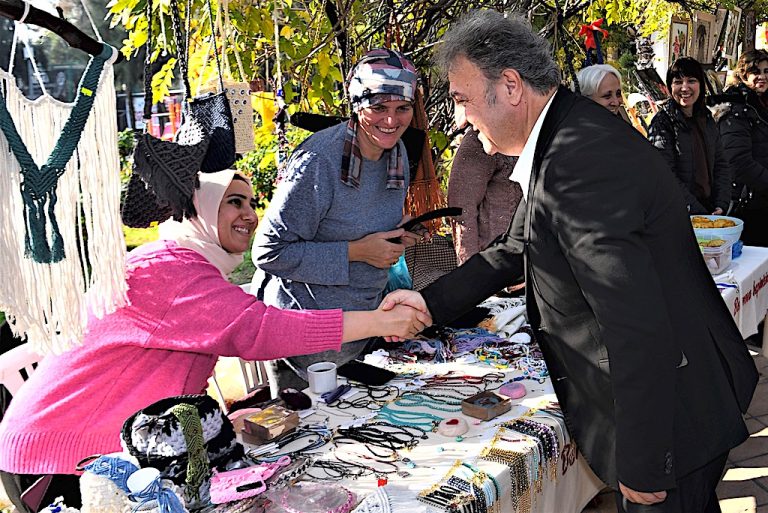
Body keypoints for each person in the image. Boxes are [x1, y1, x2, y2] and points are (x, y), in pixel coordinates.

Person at [383, 10, 757, 512]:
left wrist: (644, 458)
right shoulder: (565, 134)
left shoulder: (580, 161)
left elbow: (635, 325)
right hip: (679, 397)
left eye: (464, 100)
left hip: (672, 420)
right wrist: (429, 303)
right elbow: (516, 245)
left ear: (511, 87)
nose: (462, 120)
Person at [0, 169, 429, 512]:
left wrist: (214, 430)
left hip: (114, 448)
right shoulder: (166, 269)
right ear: (196, 212)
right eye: (232, 202)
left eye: (251, 202)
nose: (249, 214)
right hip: (58, 459)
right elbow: (260, 330)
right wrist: (375, 321)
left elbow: (186, 373)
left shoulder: (191, 266)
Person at [251, 49, 423, 389]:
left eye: (402, 108)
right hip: (302, 342)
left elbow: (362, 223)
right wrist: (356, 252)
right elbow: (268, 252)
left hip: (360, 336)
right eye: (378, 108)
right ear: (357, 105)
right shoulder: (318, 161)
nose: (391, 121)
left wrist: (395, 235)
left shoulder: (398, 153)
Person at [647, 57, 732, 215]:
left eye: (691, 81)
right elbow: (665, 176)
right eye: (678, 82)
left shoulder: (707, 119)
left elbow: (721, 164)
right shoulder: (662, 124)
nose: (684, 88)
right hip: (679, 214)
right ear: (670, 86)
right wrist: (699, 212)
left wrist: (721, 204)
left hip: (710, 211)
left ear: (701, 84)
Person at [447, 128, 522, 265]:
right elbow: (461, 209)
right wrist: (470, 268)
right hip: (496, 261)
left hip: (537, 259)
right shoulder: (478, 139)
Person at [716, 49, 768, 245]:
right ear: (743, 75)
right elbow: (739, 162)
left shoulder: (762, 104)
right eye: (756, 72)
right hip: (749, 204)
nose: (762, 76)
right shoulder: (735, 108)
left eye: (766, 71)